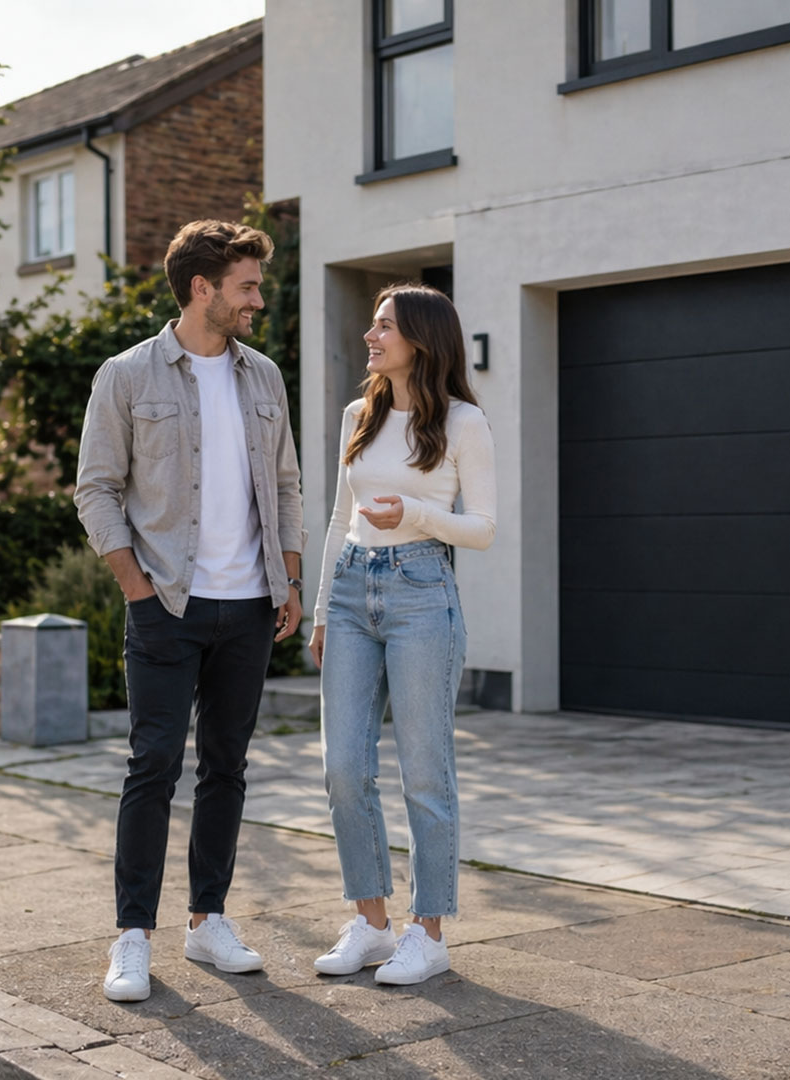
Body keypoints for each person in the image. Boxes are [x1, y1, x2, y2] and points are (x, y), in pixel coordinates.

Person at [74, 220, 306, 1003]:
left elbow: (284, 484)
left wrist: (291, 579)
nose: (259, 300)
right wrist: (134, 585)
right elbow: (95, 488)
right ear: (202, 287)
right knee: (153, 764)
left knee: (229, 767)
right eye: (247, 285)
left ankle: (208, 920)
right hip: (166, 601)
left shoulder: (264, 377)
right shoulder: (129, 375)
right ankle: (132, 936)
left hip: (249, 605)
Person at [307, 283, 496, 986]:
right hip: (354, 590)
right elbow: (336, 519)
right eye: (372, 324)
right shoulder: (360, 413)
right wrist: (324, 610)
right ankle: (372, 924)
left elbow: (482, 528)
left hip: (423, 593)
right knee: (343, 769)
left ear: (420, 337)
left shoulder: (463, 422)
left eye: (383, 325)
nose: (370, 335)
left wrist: (415, 513)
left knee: (425, 772)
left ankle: (430, 933)